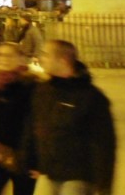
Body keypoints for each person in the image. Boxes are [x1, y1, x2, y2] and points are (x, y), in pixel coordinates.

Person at [26, 40, 116, 195]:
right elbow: (33, 126)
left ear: (62, 60)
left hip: (79, 174)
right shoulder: (43, 90)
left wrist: (104, 185)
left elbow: (104, 144)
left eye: (46, 54)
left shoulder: (91, 97)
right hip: (48, 171)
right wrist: (30, 159)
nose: (41, 58)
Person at [0, 42, 38, 195]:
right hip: (0, 152)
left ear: (20, 58)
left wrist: (36, 161)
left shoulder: (31, 84)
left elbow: (38, 124)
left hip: (23, 156)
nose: (3, 59)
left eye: (8, 55)